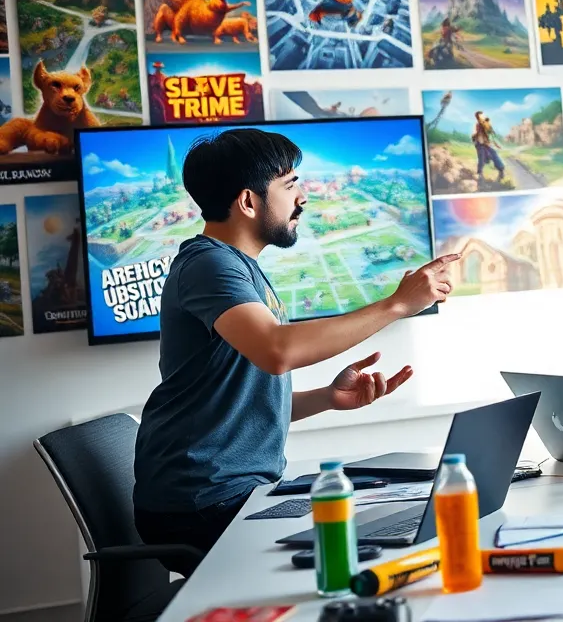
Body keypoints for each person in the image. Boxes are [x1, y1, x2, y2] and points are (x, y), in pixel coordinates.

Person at [134, 128, 459, 575]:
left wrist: (328, 396)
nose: (302, 199)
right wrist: (396, 304)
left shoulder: (237, 267)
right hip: (202, 501)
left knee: (387, 530)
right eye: (289, 186)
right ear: (248, 202)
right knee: (358, 560)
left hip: (230, 489)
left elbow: (238, 401)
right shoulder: (209, 264)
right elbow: (276, 351)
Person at [472, 110, 506, 181]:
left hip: (486, 144)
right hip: (480, 144)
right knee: (482, 158)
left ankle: (501, 171)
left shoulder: (487, 125)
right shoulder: (479, 125)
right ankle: (480, 174)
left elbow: (491, 136)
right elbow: (479, 134)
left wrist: (496, 144)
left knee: (493, 154)